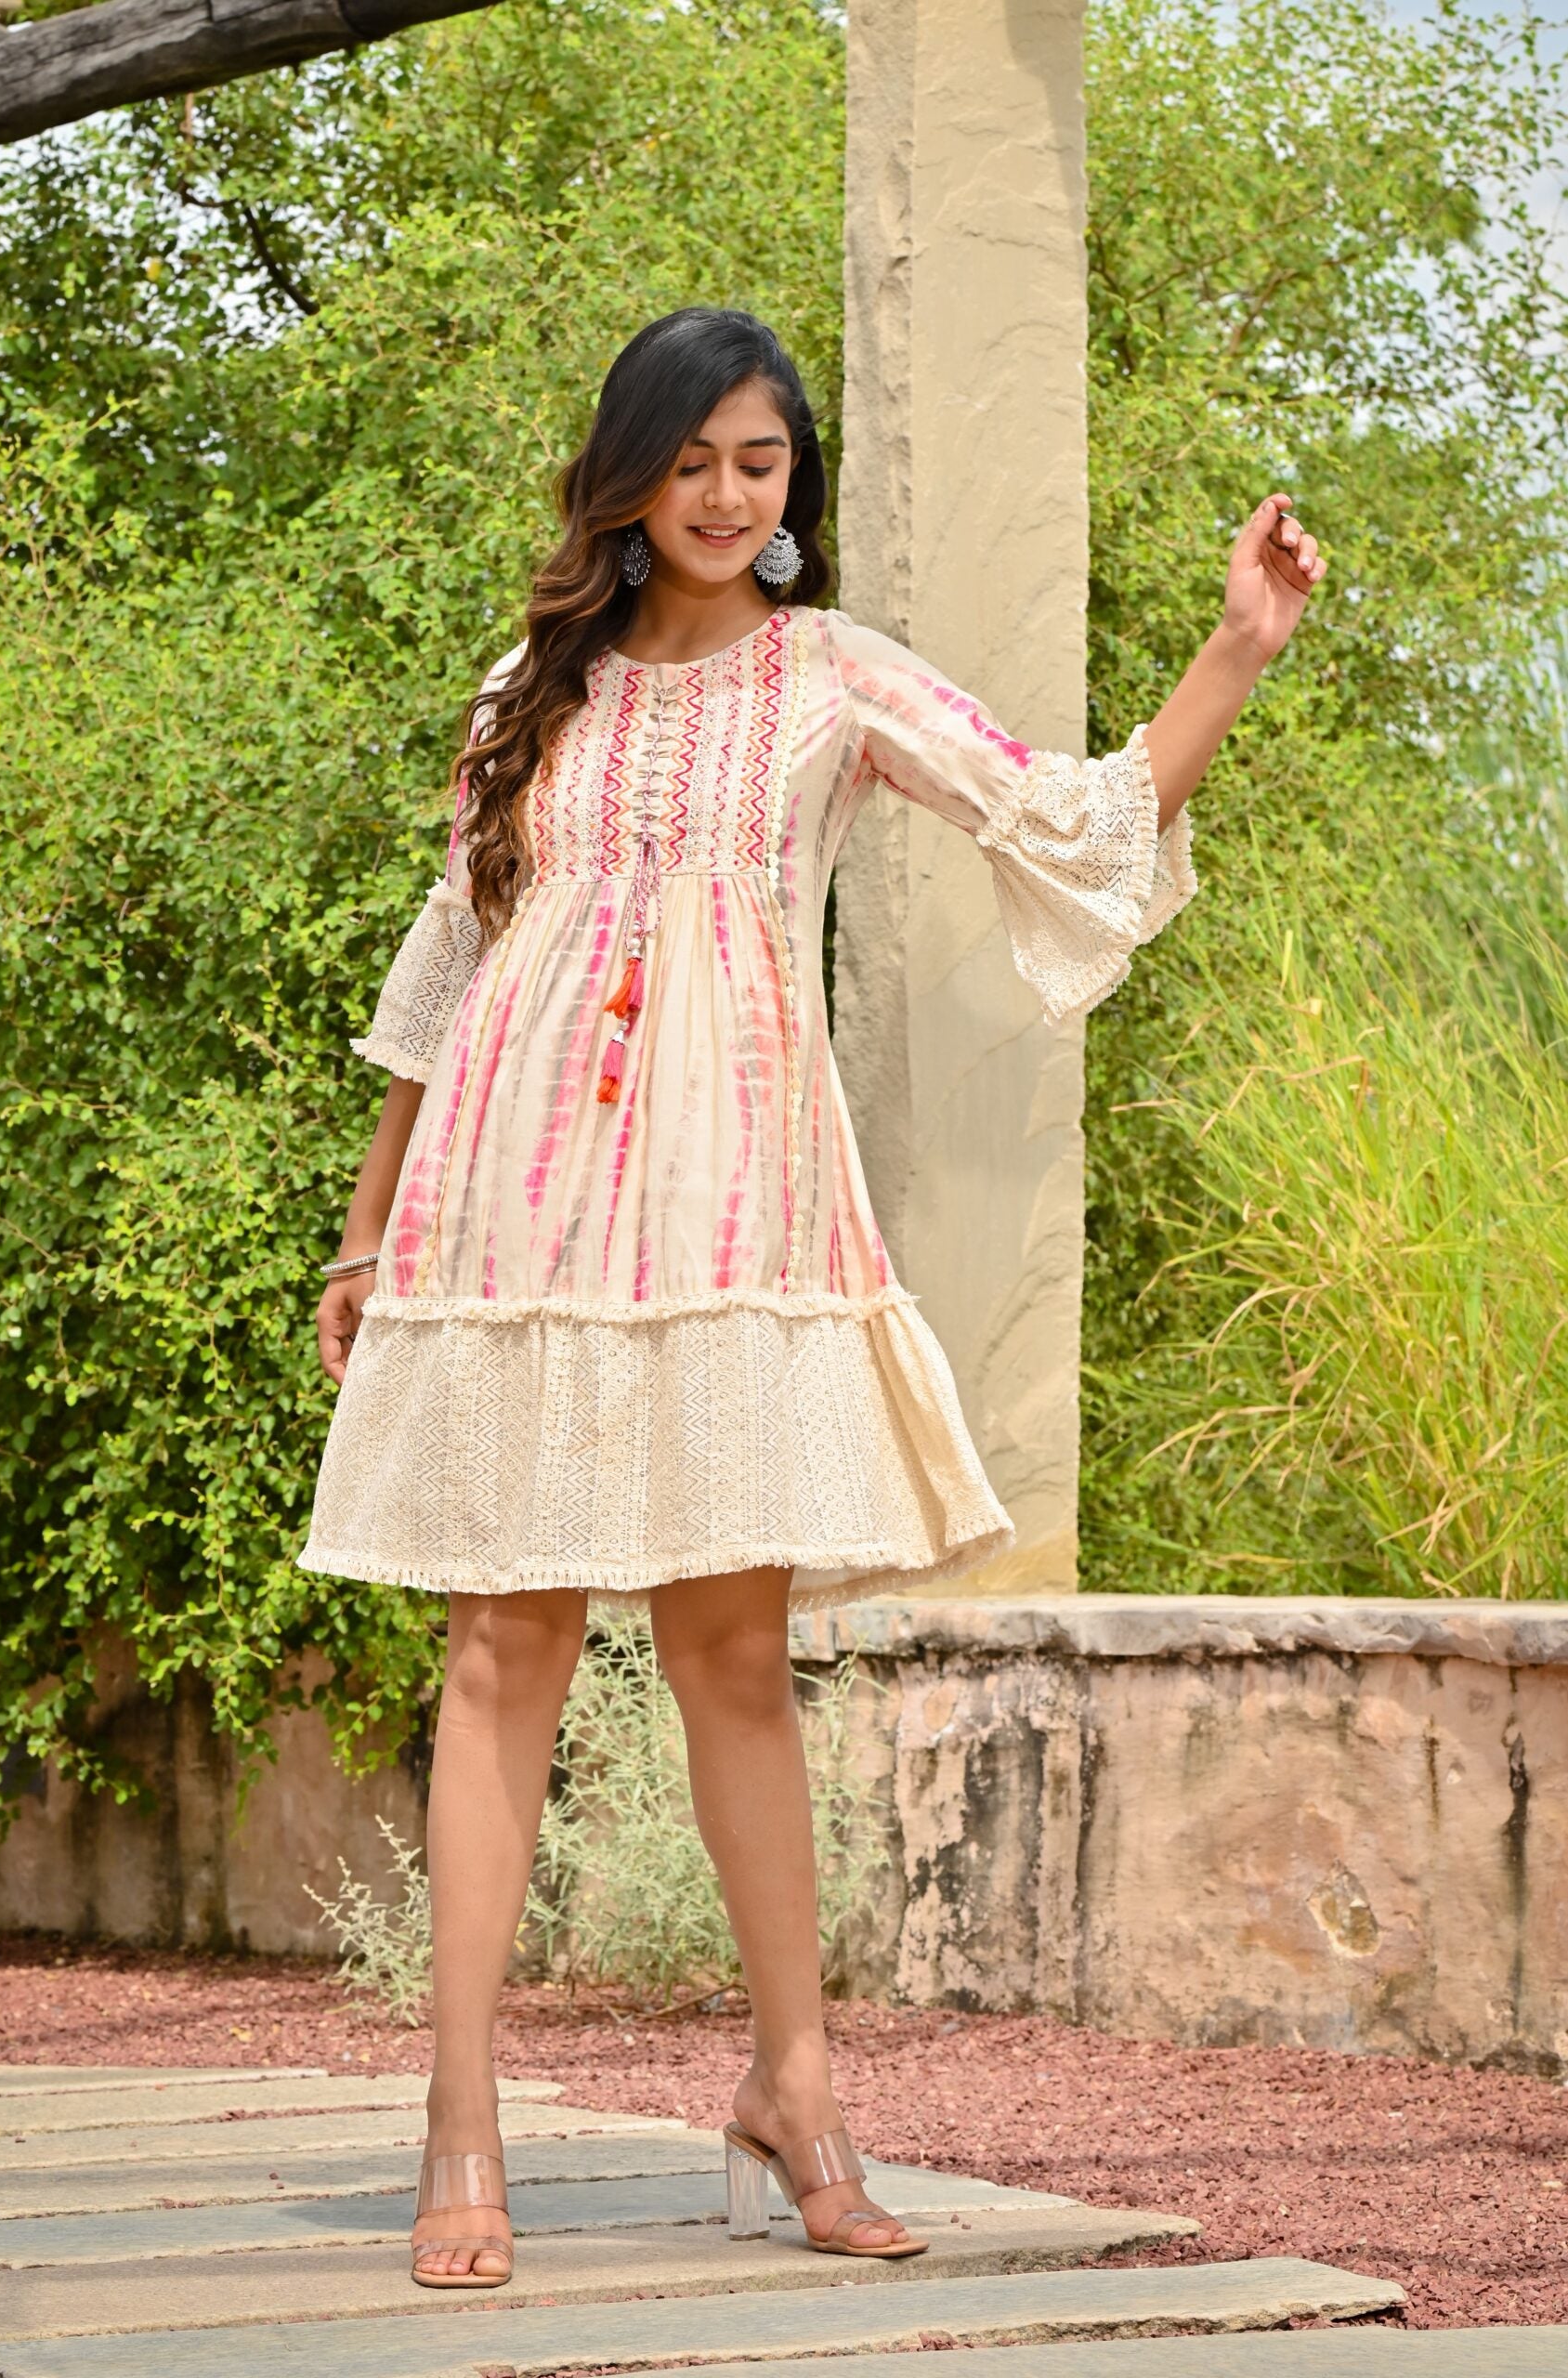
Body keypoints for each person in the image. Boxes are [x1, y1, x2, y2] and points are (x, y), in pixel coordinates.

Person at [298, 307, 1326, 2287]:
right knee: (502, 1644)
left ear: (791, 487)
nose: (719, 494)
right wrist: (368, 1229)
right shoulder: (534, 688)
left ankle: (799, 2093)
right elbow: (444, 979)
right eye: (687, 461)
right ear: (627, 474)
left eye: (755, 463)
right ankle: (459, 2121)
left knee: (734, 1659)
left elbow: (1065, 814)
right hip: (511, 1222)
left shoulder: (825, 677)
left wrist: (1235, 650)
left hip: (731, 1213)